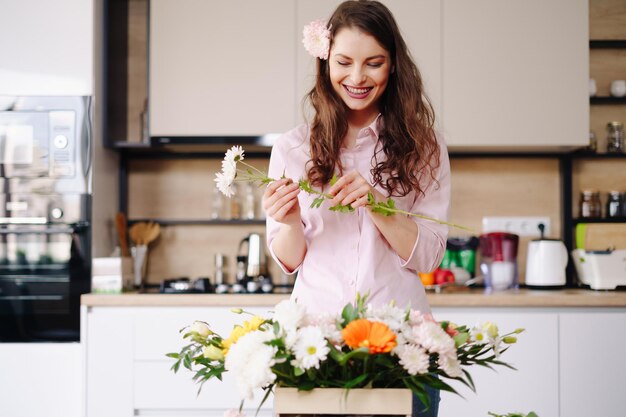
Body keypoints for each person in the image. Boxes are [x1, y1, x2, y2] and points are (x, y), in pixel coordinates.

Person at [262, 1, 449, 415]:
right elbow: (288, 260)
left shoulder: (424, 147)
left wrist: (379, 207)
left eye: (374, 63)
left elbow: (430, 255)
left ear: (394, 64)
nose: (357, 78)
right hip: (316, 348)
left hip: (402, 348)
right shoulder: (292, 149)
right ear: (325, 62)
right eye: (344, 62)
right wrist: (289, 222)